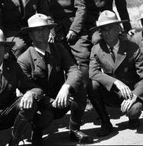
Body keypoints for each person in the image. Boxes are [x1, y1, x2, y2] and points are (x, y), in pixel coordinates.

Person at [17, 14, 92, 144]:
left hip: (62, 97)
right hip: (42, 105)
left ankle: (74, 129)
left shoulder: (58, 48)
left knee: (79, 86)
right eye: (37, 30)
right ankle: (37, 132)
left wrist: (66, 87)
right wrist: (51, 101)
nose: (42, 33)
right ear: (30, 35)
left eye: (45, 29)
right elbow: (28, 87)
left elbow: (74, 70)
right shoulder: (24, 59)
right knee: (43, 115)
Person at [88, 11, 143, 137]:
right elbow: (93, 72)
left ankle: (133, 118)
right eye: (103, 29)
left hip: (130, 92)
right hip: (112, 92)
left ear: (119, 28)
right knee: (92, 85)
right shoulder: (97, 49)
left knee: (133, 111)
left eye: (110, 28)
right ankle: (105, 122)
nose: (107, 32)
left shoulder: (131, 47)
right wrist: (115, 82)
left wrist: (134, 95)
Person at [40, 0, 91, 89]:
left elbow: (81, 8)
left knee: (83, 57)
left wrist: (74, 30)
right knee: (54, 60)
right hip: (54, 30)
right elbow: (43, 10)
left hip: (74, 27)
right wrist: (50, 30)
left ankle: (83, 95)